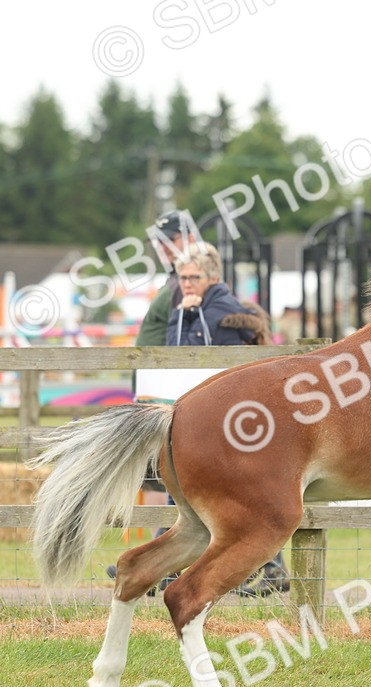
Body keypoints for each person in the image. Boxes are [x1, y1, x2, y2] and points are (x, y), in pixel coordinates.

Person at [116, 211, 287, 596]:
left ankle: (267, 569)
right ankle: (166, 565)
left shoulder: (218, 311)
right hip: (208, 416)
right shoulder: (192, 308)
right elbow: (180, 349)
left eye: (193, 277)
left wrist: (192, 314)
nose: (186, 283)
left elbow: (209, 358)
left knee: (239, 494)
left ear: (212, 276)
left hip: (227, 418)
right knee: (197, 491)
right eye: (182, 277)